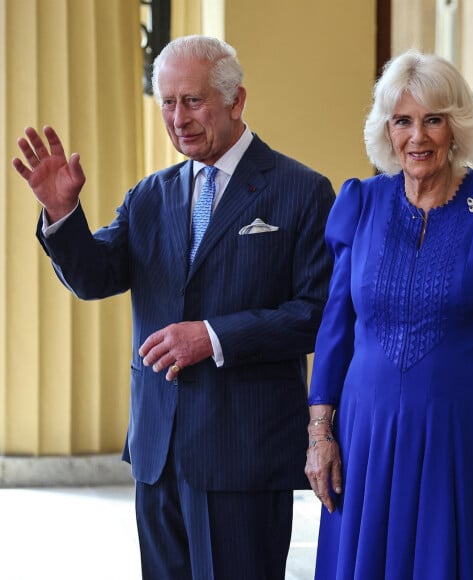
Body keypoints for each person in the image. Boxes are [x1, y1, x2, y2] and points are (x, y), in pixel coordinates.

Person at [13, 35, 335, 580]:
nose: (177, 118)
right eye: (167, 102)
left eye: (192, 101)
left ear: (236, 101)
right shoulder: (149, 194)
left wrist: (212, 337)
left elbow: (316, 313)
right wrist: (63, 216)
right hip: (157, 454)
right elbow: (94, 278)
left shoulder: (302, 191)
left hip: (243, 454)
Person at [304, 49, 473, 579]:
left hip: (462, 431)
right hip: (366, 433)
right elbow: (336, 326)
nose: (418, 136)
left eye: (433, 120)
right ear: (387, 131)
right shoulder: (360, 203)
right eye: (403, 121)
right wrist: (320, 433)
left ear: (455, 126)